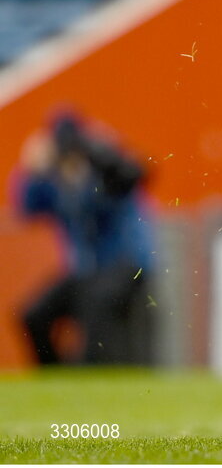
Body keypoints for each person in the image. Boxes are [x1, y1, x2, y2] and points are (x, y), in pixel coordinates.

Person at [19, 115, 154, 365]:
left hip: (125, 265)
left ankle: (90, 367)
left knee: (95, 302)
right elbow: (28, 207)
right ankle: (55, 377)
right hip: (86, 272)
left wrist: (102, 156)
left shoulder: (106, 170)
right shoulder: (57, 182)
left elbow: (134, 176)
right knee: (32, 316)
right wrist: (31, 170)